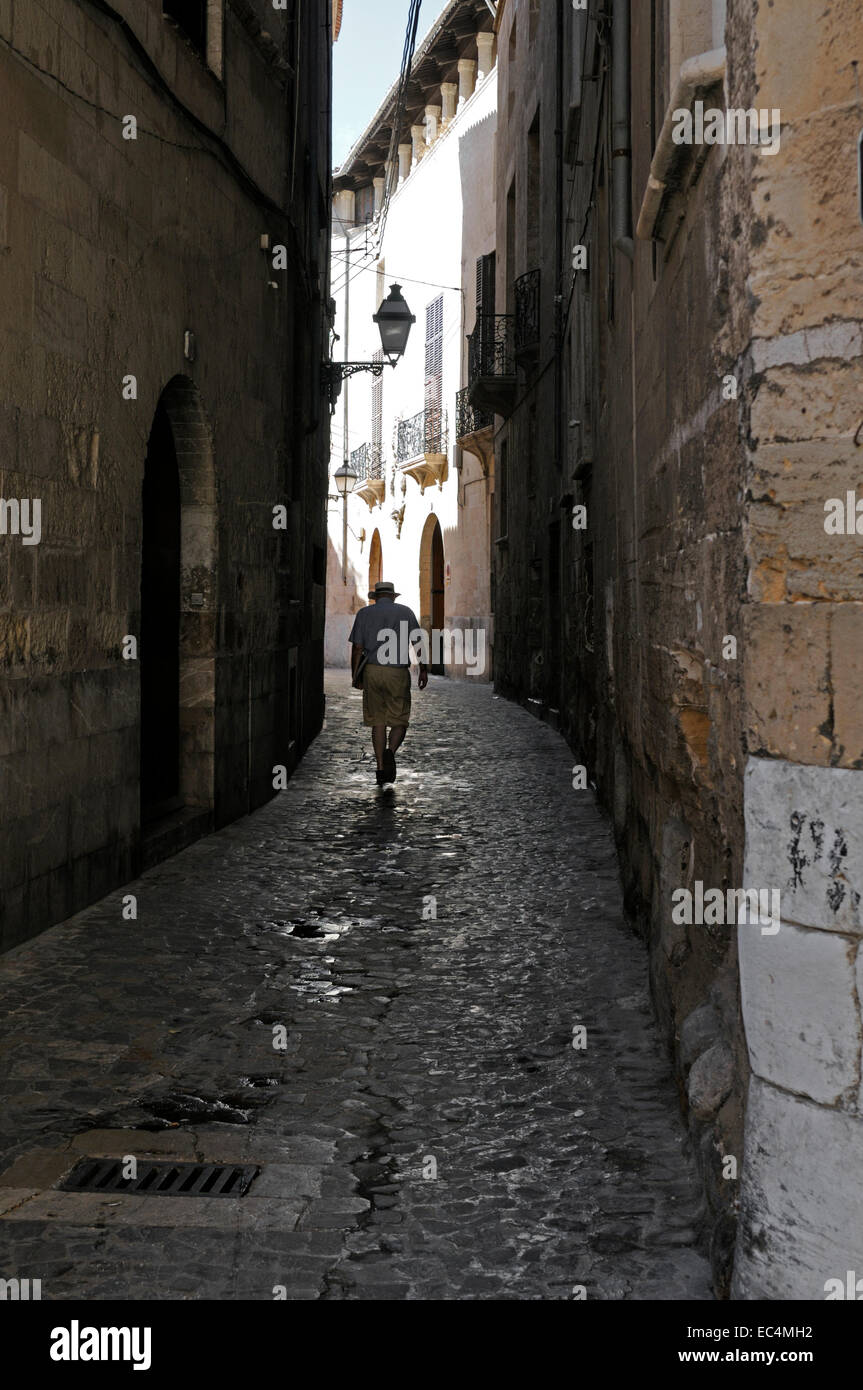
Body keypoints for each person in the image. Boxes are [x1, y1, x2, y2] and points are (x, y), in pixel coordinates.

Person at [349, 580, 429, 787]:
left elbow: (357, 648)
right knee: (400, 720)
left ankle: (380, 767)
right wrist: (423, 668)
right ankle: (390, 752)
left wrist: (355, 674)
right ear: (393, 596)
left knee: (377, 721)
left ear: (375, 597)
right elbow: (417, 642)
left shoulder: (364, 614)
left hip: (372, 671)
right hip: (397, 672)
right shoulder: (406, 612)